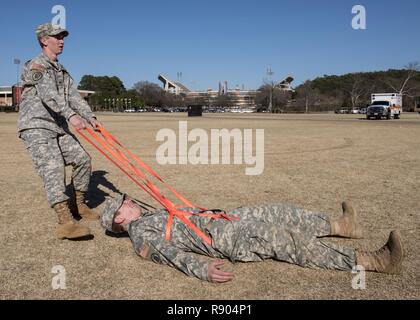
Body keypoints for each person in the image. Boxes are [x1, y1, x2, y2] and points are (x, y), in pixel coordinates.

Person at [100, 194, 404, 283]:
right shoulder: (140, 233)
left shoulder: (147, 215)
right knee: (290, 241)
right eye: (125, 202)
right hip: (232, 239)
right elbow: (168, 254)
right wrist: (201, 269)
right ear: (119, 218)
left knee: (278, 211)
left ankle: (342, 225)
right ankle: (372, 261)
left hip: (226, 219)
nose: (130, 200)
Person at [18, 23, 101, 239]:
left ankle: (78, 205)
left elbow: (73, 96)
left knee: (83, 159)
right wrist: (71, 116)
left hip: (57, 126)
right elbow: (49, 95)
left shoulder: (61, 70)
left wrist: (89, 117)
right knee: (53, 167)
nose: (62, 40)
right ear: (44, 40)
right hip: (37, 125)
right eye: (57, 37)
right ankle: (65, 221)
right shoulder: (36, 65)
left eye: (63, 37)